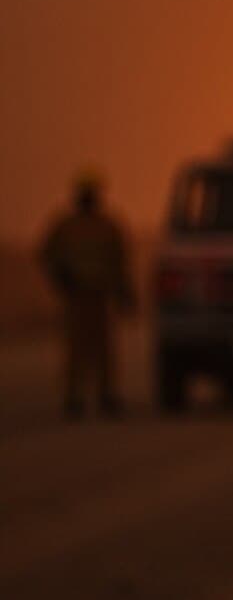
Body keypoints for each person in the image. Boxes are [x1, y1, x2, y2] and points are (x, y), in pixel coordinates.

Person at [37, 170, 136, 419]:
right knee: (76, 349)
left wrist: (125, 291)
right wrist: (60, 277)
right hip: (76, 296)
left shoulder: (108, 226)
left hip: (101, 295)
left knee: (104, 349)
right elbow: (47, 254)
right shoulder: (65, 226)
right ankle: (74, 397)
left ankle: (107, 395)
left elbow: (121, 260)